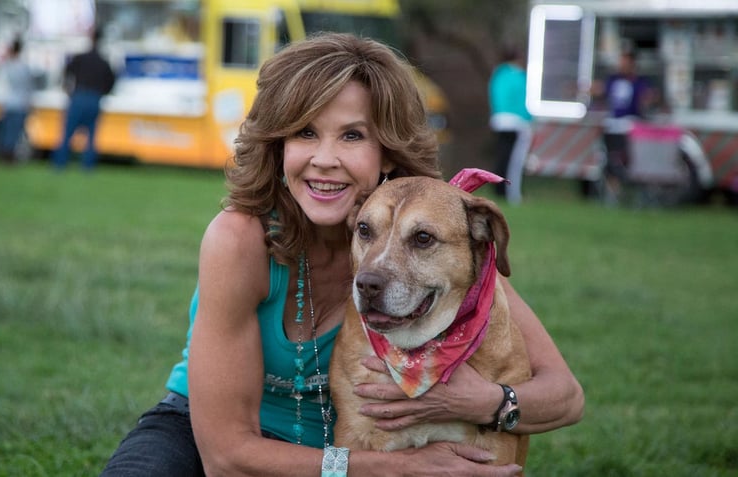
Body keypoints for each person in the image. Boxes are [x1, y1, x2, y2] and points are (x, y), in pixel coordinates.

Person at [100, 33, 584, 477]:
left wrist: (483, 402)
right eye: (305, 133)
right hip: (213, 438)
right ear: (278, 145)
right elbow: (226, 457)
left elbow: (565, 396)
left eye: (352, 135)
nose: (325, 158)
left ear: (387, 151)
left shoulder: (444, 249)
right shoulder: (239, 239)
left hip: (346, 447)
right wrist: (402, 467)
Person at [591, 49, 653, 198]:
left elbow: (648, 98)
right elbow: (599, 91)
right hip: (613, 127)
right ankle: (613, 190)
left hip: (631, 127)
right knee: (610, 157)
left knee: (631, 159)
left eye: (624, 62)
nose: (621, 65)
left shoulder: (640, 82)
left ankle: (634, 189)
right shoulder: (613, 79)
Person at [52, 28, 116, 170]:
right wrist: (102, 92)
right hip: (94, 97)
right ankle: (88, 167)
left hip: (79, 96)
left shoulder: (80, 58)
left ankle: (59, 164)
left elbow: (66, 71)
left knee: (67, 133)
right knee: (92, 136)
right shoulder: (104, 62)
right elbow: (111, 82)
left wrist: (67, 88)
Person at [488, 43, 532, 205]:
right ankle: (512, 194)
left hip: (499, 120)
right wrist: (529, 120)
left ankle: (498, 189)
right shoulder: (520, 75)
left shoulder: (498, 73)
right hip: (517, 122)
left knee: (502, 157)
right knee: (515, 161)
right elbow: (523, 101)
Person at [0, 38, 34, 163]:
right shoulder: (24, 67)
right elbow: (28, 86)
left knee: (6, 130)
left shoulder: (8, 65)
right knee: (14, 131)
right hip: (20, 103)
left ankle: (3, 153)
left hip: (9, 102)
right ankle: (9, 155)